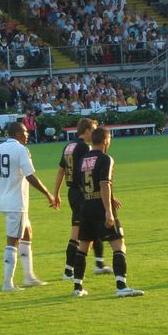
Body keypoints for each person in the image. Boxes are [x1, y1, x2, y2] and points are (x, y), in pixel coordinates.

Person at [71, 127, 144, 298]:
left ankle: (77, 287)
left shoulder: (82, 160)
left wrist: (111, 197)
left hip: (86, 205)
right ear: (105, 141)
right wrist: (108, 211)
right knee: (119, 244)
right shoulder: (106, 159)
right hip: (100, 206)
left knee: (83, 246)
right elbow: (104, 184)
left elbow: (81, 184)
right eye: (109, 139)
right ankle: (121, 286)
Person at [0, 122, 54, 291]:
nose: (27, 134)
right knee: (12, 241)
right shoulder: (21, 150)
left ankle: (29, 276)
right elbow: (30, 176)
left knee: (27, 233)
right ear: (16, 133)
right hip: (17, 203)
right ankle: (7, 283)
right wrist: (48, 193)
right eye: (24, 131)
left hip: (4, 201)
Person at [53, 118, 113, 281]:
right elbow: (88, 172)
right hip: (83, 192)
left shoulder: (68, 146)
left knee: (88, 227)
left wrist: (56, 193)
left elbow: (61, 170)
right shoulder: (85, 147)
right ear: (86, 131)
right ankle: (69, 271)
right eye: (93, 130)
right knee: (81, 230)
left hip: (72, 191)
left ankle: (97, 264)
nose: (94, 134)